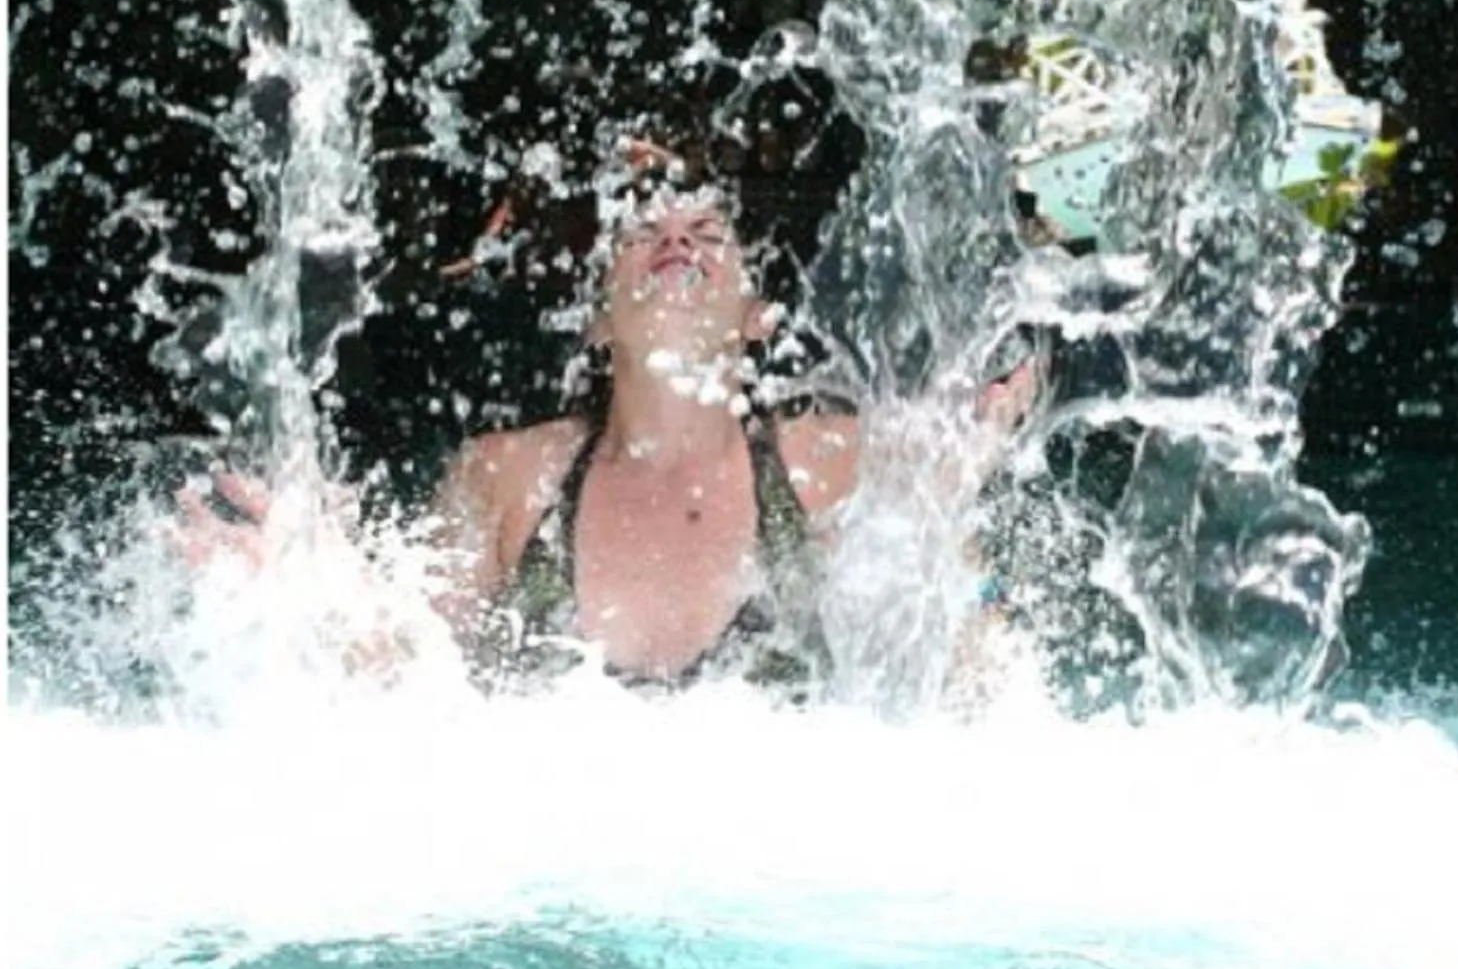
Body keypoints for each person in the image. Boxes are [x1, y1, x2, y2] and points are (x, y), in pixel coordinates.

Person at [178, 138, 1041, 698]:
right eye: (642, 232)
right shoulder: (509, 477)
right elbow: (408, 677)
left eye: (709, 231)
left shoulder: (835, 463)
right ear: (596, 319)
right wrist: (313, 599)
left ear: (756, 315)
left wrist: (942, 520)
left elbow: (980, 694)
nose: (677, 241)